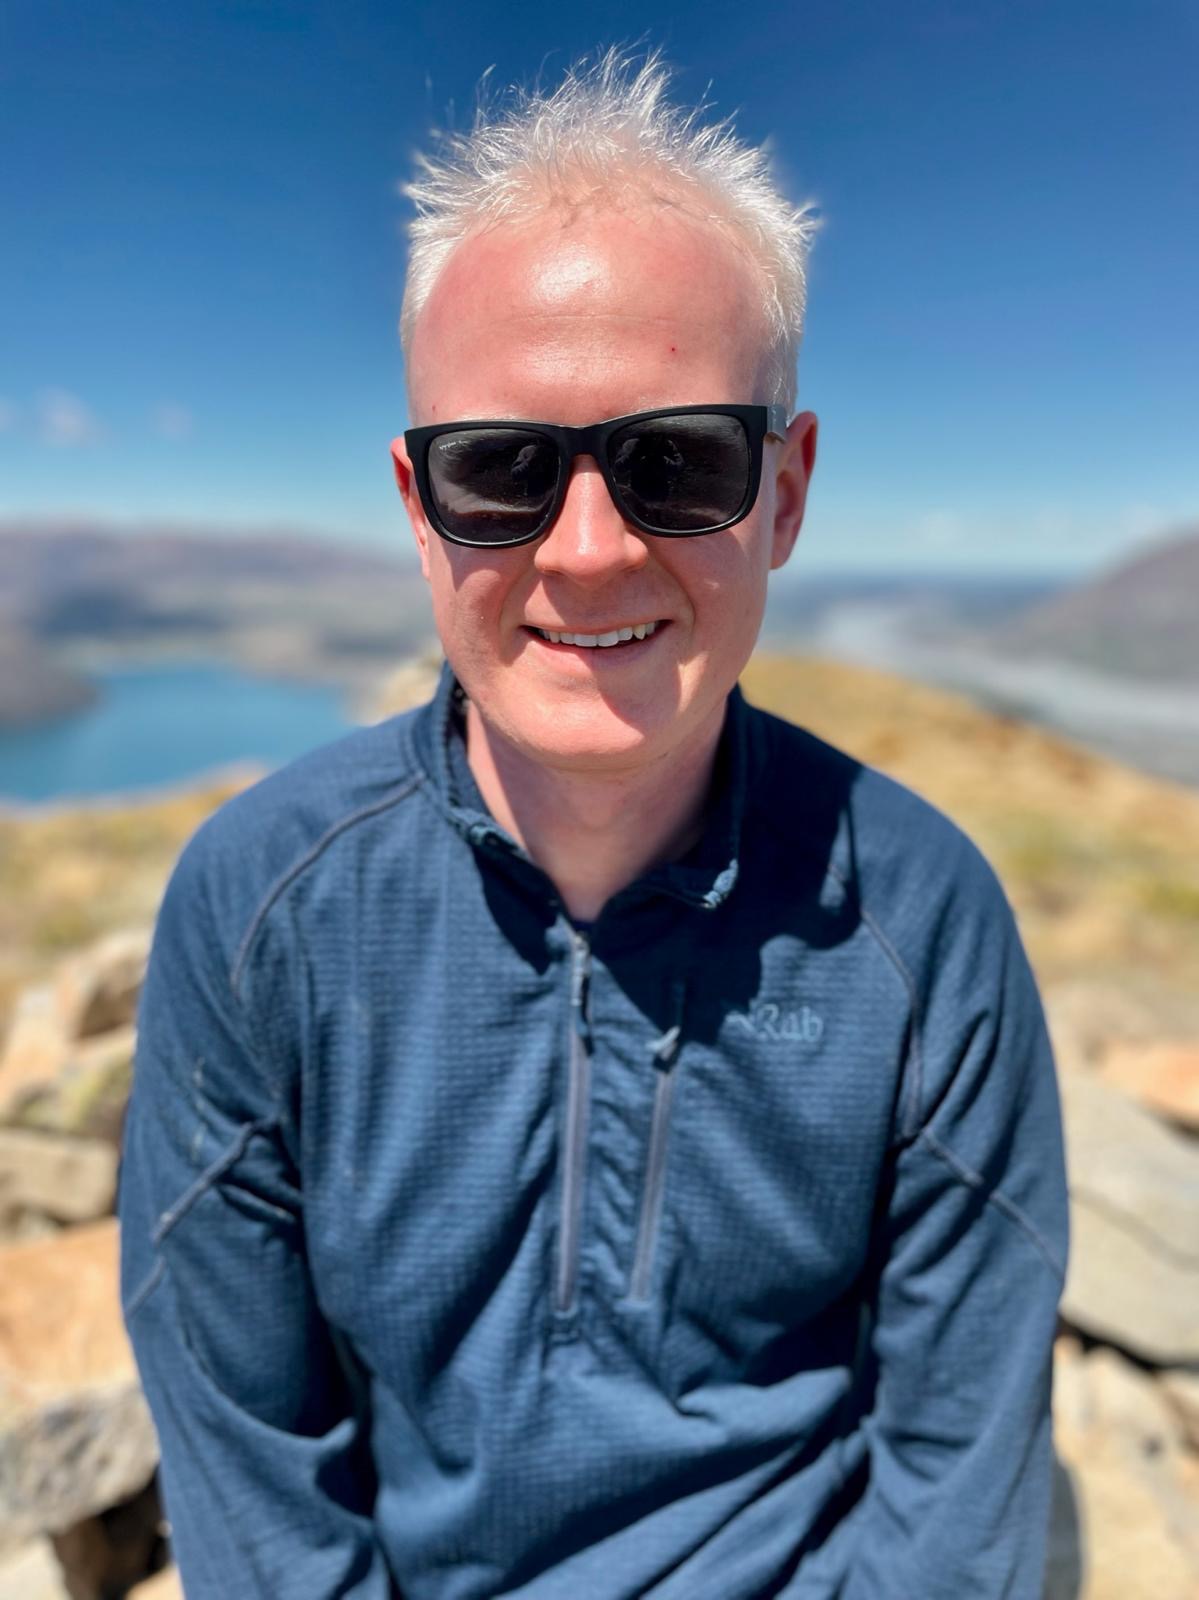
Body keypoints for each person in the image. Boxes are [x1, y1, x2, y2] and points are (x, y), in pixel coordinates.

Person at [117, 50, 1069, 1600]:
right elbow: (256, 1485)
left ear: (788, 489)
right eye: (499, 470)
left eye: (676, 462)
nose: (588, 551)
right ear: (417, 506)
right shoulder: (258, 911)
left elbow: (957, 1486)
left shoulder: (923, 919)